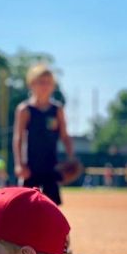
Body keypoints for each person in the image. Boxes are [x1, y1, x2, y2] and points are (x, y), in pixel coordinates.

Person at [14, 64, 81, 207]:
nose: (45, 86)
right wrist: (19, 164)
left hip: (51, 165)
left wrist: (71, 156)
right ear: (31, 84)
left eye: (49, 83)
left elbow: (65, 136)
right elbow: (18, 138)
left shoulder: (57, 109)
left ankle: (50, 230)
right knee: (25, 205)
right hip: (30, 166)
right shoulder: (25, 109)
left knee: (52, 206)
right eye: (41, 82)